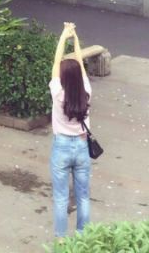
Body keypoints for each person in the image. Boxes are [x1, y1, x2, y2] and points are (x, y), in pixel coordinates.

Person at [49, 22, 92, 239]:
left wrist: (63, 36)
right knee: (83, 197)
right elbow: (80, 66)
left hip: (62, 146)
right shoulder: (87, 92)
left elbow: (56, 63)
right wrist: (75, 39)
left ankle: (61, 243)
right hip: (82, 146)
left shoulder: (58, 93)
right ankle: (83, 240)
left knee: (60, 199)